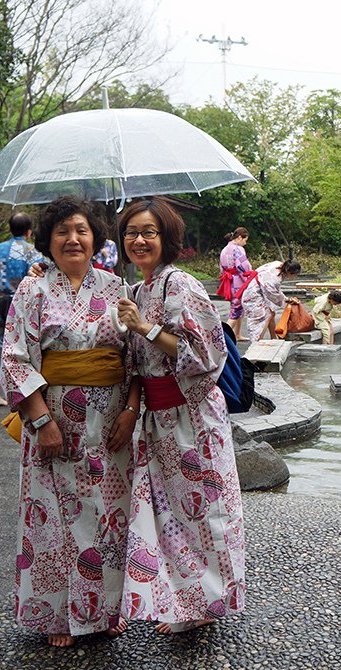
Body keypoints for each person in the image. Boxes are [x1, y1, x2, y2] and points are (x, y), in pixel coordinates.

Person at [0, 196, 137, 647]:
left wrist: (130, 413)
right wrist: (41, 421)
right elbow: (16, 358)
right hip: (54, 420)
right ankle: (58, 614)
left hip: (109, 423)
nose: (72, 239)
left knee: (108, 516)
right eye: (62, 231)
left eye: (81, 230)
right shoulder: (32, 290)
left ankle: (103, 611)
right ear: (48, 241)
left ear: (95, 237)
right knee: (53, 518)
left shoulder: (118, 289)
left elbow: (135, 358)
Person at [114, 197, 246, 635]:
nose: (138, 240)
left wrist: (145, 329)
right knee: (168, 510)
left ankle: (206, 602)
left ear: (166, 238)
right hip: (158, 418)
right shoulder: (136, 291)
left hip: (193, 416)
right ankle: (184, 597)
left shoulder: (181, 285)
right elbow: (132, 362)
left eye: (148, 232)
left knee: (203, 508)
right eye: (131, 232)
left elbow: (207, 353)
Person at [0, 212, 44, 407]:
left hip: (1, 303)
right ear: (29, 231)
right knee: (25, 348)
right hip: (22, 306)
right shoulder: (31, 251)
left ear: (10, 229)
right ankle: (25, 393)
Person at [240, 258, 302, 343]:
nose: (295, 277)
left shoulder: (278, 264)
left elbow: (274, 291)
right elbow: (273, 294)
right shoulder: (275, 278)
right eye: (295, 275)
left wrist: (286, 299)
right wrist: (286, 299)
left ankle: (274, 338)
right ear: (289, 272)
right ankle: (256, 342)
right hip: (253, 294)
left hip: (260, 290)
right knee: (263, 317)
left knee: (271, 313)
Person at [218, 227, 253, 340]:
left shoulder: (225, 249)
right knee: (236, 309)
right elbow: (244, 266)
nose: (245, 243)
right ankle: (224, 337)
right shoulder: (238, 249)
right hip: (237, 280)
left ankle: (237, 334)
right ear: (239, 238)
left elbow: (221, 268)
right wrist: (250, 275)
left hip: (228, 280)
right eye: (245, 240)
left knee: (237, 307)